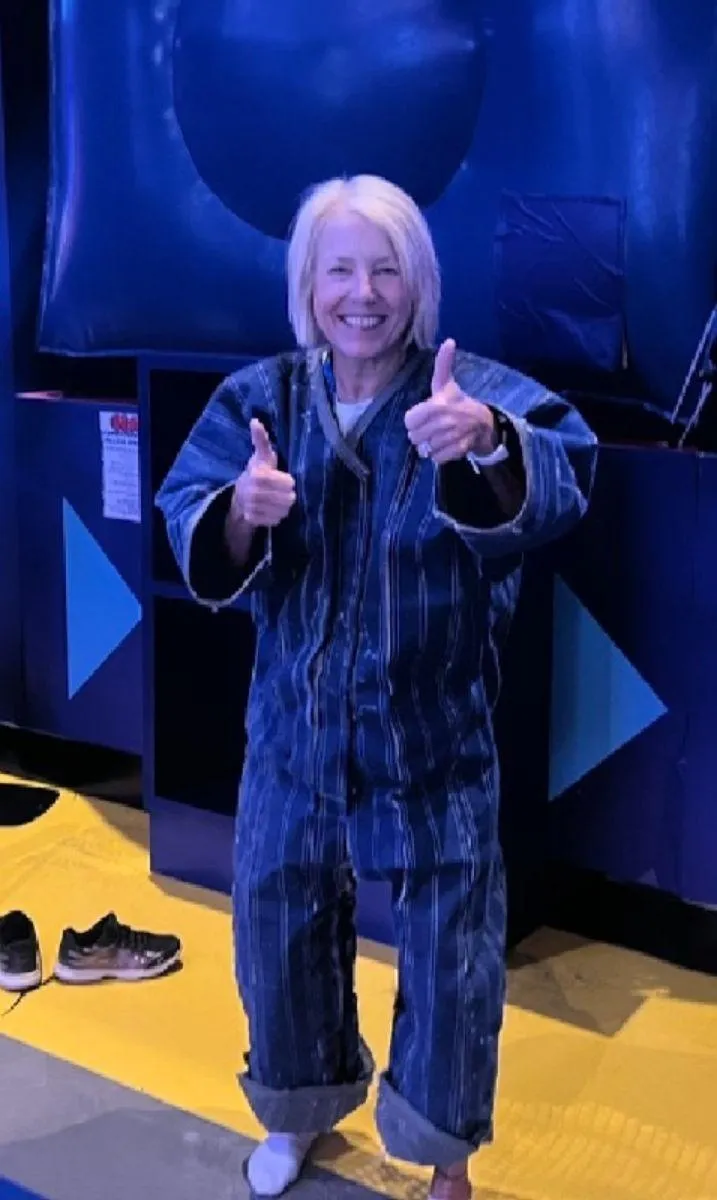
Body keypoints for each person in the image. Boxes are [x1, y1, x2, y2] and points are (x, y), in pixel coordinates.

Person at [156, 174, 597, 1199]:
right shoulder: (263, 399)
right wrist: (242, 511)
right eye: (340, 270)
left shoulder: (466, 391)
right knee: (278, 928)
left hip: (433, 741)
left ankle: (447, 1162)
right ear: (307, 286)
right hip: (293, 737)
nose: (363, 294)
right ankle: (296, 1114)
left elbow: (565, 473)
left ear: (419, 283)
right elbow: (190, 510)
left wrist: (487, 443)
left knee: (451, 957)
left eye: (386, 270)